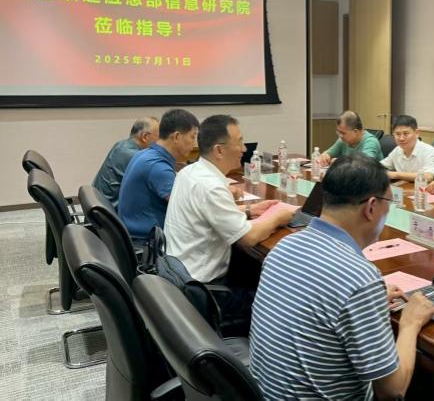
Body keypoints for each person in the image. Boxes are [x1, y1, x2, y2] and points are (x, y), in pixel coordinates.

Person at [250, 154, 434, 399]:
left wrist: (367, 301)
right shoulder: (359, 279)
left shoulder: (285, 246)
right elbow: (392, 391)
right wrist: (410, 323)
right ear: (371, 207)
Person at [164, 115, 295, 322]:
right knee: (282, 297)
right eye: (240, 142)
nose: (244, 149)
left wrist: (250, 210)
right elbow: (248, 238)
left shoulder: (189, 172)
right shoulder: (211, 187)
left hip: (179, 276)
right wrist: (279, 216)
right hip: (206, 293)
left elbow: (206, 214)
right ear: (219, 150)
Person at [118, 108, 199, 247]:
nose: (194, 144)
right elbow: (188, 210)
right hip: (147, 243)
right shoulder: (157, 166)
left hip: (132, 235)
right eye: (192, 137)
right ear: (177, 137)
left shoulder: (145, 154)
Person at [92, 117, 159, 210]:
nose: (161, 141)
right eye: (160, 137)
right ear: (145, 137)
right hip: (111, 213)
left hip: (101, 206)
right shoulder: (135, 156)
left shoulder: (121, 145)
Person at [380, 114, 434, 182]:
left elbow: (428, 176)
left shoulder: (428, 150)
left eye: (406, 134)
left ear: (416, 133)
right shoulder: (397, 150)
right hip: (405, 186)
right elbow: (380, 166)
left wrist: (396, 175)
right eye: (398, 134)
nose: (401, 138)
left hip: (427, 187)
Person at [318, 110, 384, 165]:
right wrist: (325, 156)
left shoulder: (371, 142)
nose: (340, 136)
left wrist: (339, 161)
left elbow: (364, 165)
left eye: (343, 133)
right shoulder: (343, 140)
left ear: (355, 131)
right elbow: (328, 153)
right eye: (338, 132)